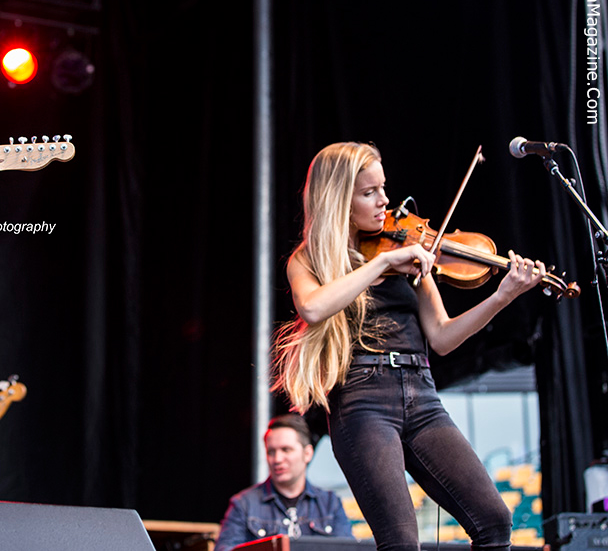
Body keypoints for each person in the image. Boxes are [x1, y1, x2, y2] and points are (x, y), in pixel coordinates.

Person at [275, 142, 545, 551]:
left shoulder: (404, 249)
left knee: (494, 520)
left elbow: (442, 337)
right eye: (369, 193)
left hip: (422, 395)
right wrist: (380, 264)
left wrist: (502, 297)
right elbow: (312, 308)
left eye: (383, 188)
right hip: (363, 399)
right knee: (400, 540)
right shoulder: (310, 259)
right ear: (338, 200)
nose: (385, 200)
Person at [215, 414, 351, 551]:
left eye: (286, 450)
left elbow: (348, 549)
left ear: (307, 453)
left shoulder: (330, 503)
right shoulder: (243, 504)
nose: (277, 459)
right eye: (271, 452)